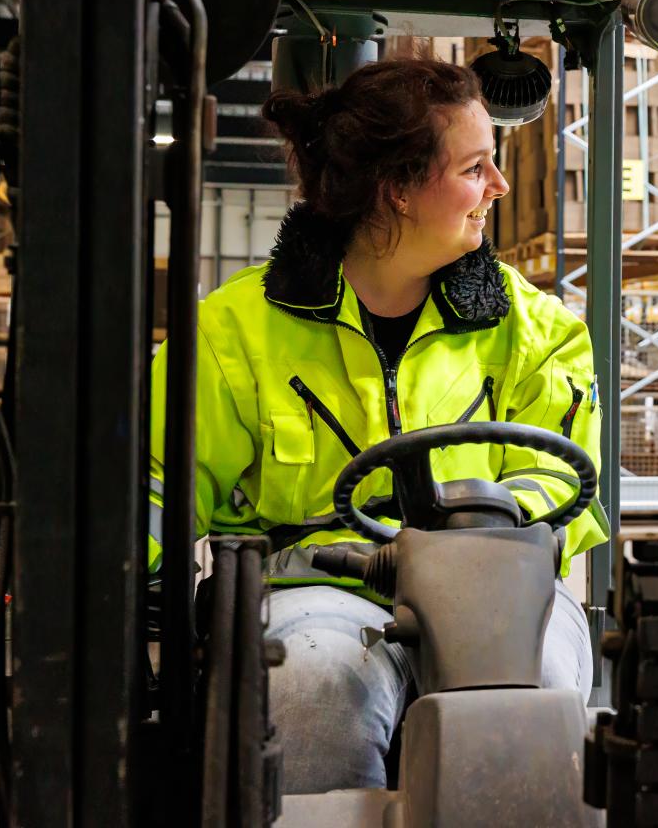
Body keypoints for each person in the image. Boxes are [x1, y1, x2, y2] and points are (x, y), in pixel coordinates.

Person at [146, 55, 609, 794]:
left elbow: (564, 470)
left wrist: (494, 514)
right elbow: (157, 476)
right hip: (316, 593)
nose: (500, 186)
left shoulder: (535, 330)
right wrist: (130, 571)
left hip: (496, 588)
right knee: (311, 692)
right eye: (476, 167)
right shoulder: (234, 332)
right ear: (398, 190)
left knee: (530, 703)